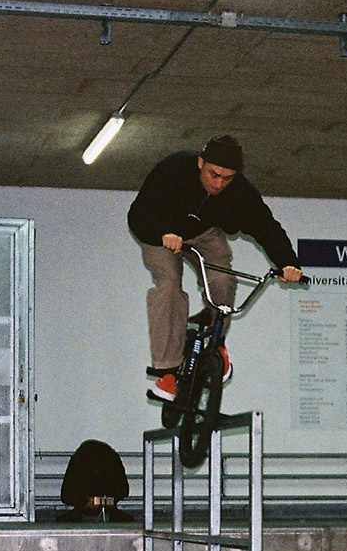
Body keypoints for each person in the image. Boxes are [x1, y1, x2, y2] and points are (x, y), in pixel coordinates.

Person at [127, 135, 304, 402]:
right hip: (162, 234)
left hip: (205, 234)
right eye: (214, 174)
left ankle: (217, 340)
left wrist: (288, 263)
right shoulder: (173, 170)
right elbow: (137, 215)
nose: (219, 184)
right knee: (169, 284)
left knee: (222, 278)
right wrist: (161, 234)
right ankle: (168, 371)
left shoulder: (242, 192)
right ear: (201, 162)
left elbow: (267, 228)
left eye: (227, 178)